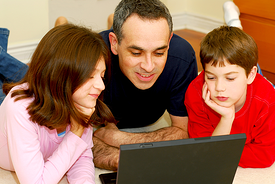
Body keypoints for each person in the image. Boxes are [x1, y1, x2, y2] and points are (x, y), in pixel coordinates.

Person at [0, 24, 116, 183]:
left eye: (102, 76)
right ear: (62, 76)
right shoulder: (20, 109)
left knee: (25, 73)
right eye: (90, 75)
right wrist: (76, 132)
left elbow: (81, 156)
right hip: (14, 106)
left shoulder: (81, 100)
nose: (101, 86)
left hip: (46, 90)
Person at [92, 0, 198, 171]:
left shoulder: (182, 57)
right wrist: (117, 159)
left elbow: (184, 131)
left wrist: (120, 139)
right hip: (101, 119)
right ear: (114, 43)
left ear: (169, 41)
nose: (148, 67)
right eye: (136, 52)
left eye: (159, 52)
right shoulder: (92, 58)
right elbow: (67, 137)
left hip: (145, 119)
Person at [185, 26, 275, 168]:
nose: (219, 88)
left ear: (251, 75)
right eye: (211, 77)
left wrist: (220, 151)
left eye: (230, 78)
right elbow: (205, 153)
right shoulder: (196, 92)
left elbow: (264, 156)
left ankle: (235, 22)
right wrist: (227, 118)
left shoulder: (267, 98)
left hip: (258, 87)